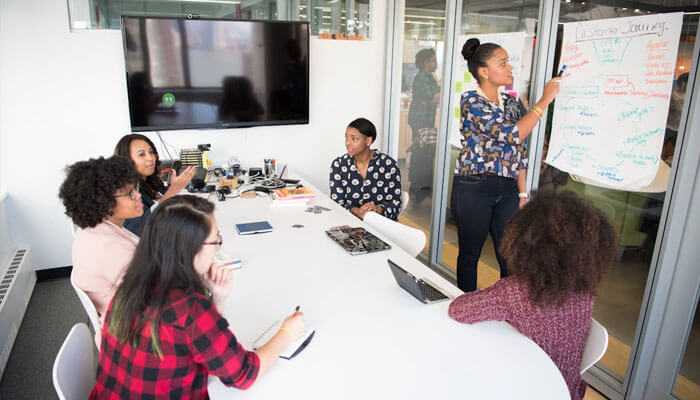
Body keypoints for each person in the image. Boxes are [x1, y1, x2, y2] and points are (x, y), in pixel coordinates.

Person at [90, 195, 305, 398]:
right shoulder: (189, 308)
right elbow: (244, 375)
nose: (218, 248)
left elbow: (196, 345)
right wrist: (286, 334)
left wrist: (217, 298)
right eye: (216, 241)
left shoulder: (130, 284)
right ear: (190, 249)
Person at [448, 190, 616, 400]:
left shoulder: (515, 291)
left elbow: (458, 310)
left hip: (523, 389)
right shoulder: (584, 294)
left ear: (523, 244)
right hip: (566, 391)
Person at [452, 38, 560, 292]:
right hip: (474, 186)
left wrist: (522, 192)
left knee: (510, 256)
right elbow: (513, 134)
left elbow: (517, 150)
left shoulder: (510, 102)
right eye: (502, 63)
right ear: (484, 71)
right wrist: (545, 100)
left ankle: (507, 308)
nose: (509, 68)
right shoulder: (471, 101)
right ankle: (465, 304)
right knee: (470, 253)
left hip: (508, 187)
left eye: (509, 62)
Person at [58, 156, 142, 316]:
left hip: (122, 312)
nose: (138, 196)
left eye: (135, 189)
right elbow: (149, 298)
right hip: (132, 325)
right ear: (103, 201)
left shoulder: (92, 230)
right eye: (130, 193)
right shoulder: (110, 247)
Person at [114, 133, 195, 236]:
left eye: (151, 152)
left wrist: (171, 187)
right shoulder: (122, 192)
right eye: (141, 154)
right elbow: (141, 228)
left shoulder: (148, 181)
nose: (151, 158)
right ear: (127, 160)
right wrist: (173, 190)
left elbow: (160, 202)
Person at [329, 118, 402, 220]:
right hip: (349, 223)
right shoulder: (339, 165)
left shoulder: (388, 165)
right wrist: (357, 212)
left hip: (381, 225)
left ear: (368, 141)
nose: (347, 143)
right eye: (346, 138)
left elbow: (395, 203)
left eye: (354, 139)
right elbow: (337, 203)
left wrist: (377, 209)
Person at [407, 48, 440, 205]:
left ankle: (420, 188)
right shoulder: (422, 78)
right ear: (426, 62)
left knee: (423, 153)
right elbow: (434, 98)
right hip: (420, 121)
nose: (436, 63)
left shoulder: (429, 77)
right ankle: (417, 188)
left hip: (425, 120)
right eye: (433, 60)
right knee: (420, 153)